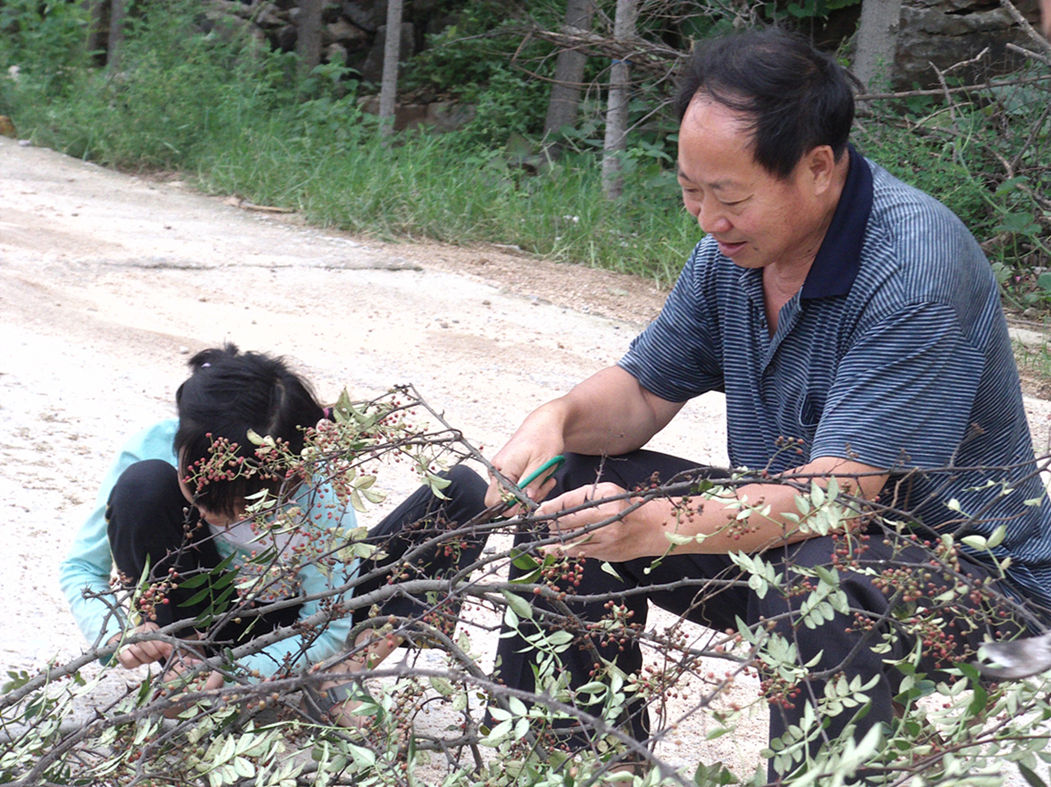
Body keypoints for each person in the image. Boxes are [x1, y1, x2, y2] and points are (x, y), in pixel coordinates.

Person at [485, 28, 1051, 778]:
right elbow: (645, 389)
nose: (706, 218)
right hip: (789, 537)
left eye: (729, 196)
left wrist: (655, 524)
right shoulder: (730, 256)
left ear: (818, 167)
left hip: (973, 585)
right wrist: (553, 419)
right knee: (572, 490)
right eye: (690, 190)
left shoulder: (913, 269)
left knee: (817, 583)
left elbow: (836, 500)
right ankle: (571, 759)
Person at [60, 344, 489, 715]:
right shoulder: (150, 447)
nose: (213, 518)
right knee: (143, 483)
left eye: (238, 509)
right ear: (181, 443)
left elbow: (327, 623)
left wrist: (247, 671)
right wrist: (121, 635)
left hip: (297, 626)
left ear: (294, 475)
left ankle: (340, 678)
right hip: (201, 618)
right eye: (201, 498)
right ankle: (185, 662)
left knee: (465, 493)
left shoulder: (318, 490)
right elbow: (81, 569)